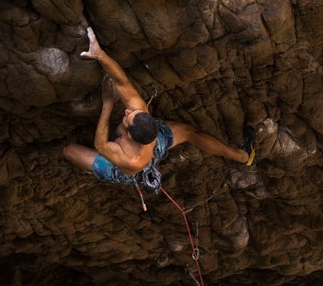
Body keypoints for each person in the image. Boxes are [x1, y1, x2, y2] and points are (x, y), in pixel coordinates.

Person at [63, 27, 255, 190]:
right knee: (189, 132)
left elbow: (101, 145)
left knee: (69, 151)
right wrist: (100, 55)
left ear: (129, 135)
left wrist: (108, 104)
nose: (128, 111)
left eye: (127, 117)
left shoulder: (131, 161)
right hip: (156, 145)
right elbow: (122, 82)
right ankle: (243, 156)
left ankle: (243, 157)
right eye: (132, 113)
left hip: (128, 167)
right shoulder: (141, 113)